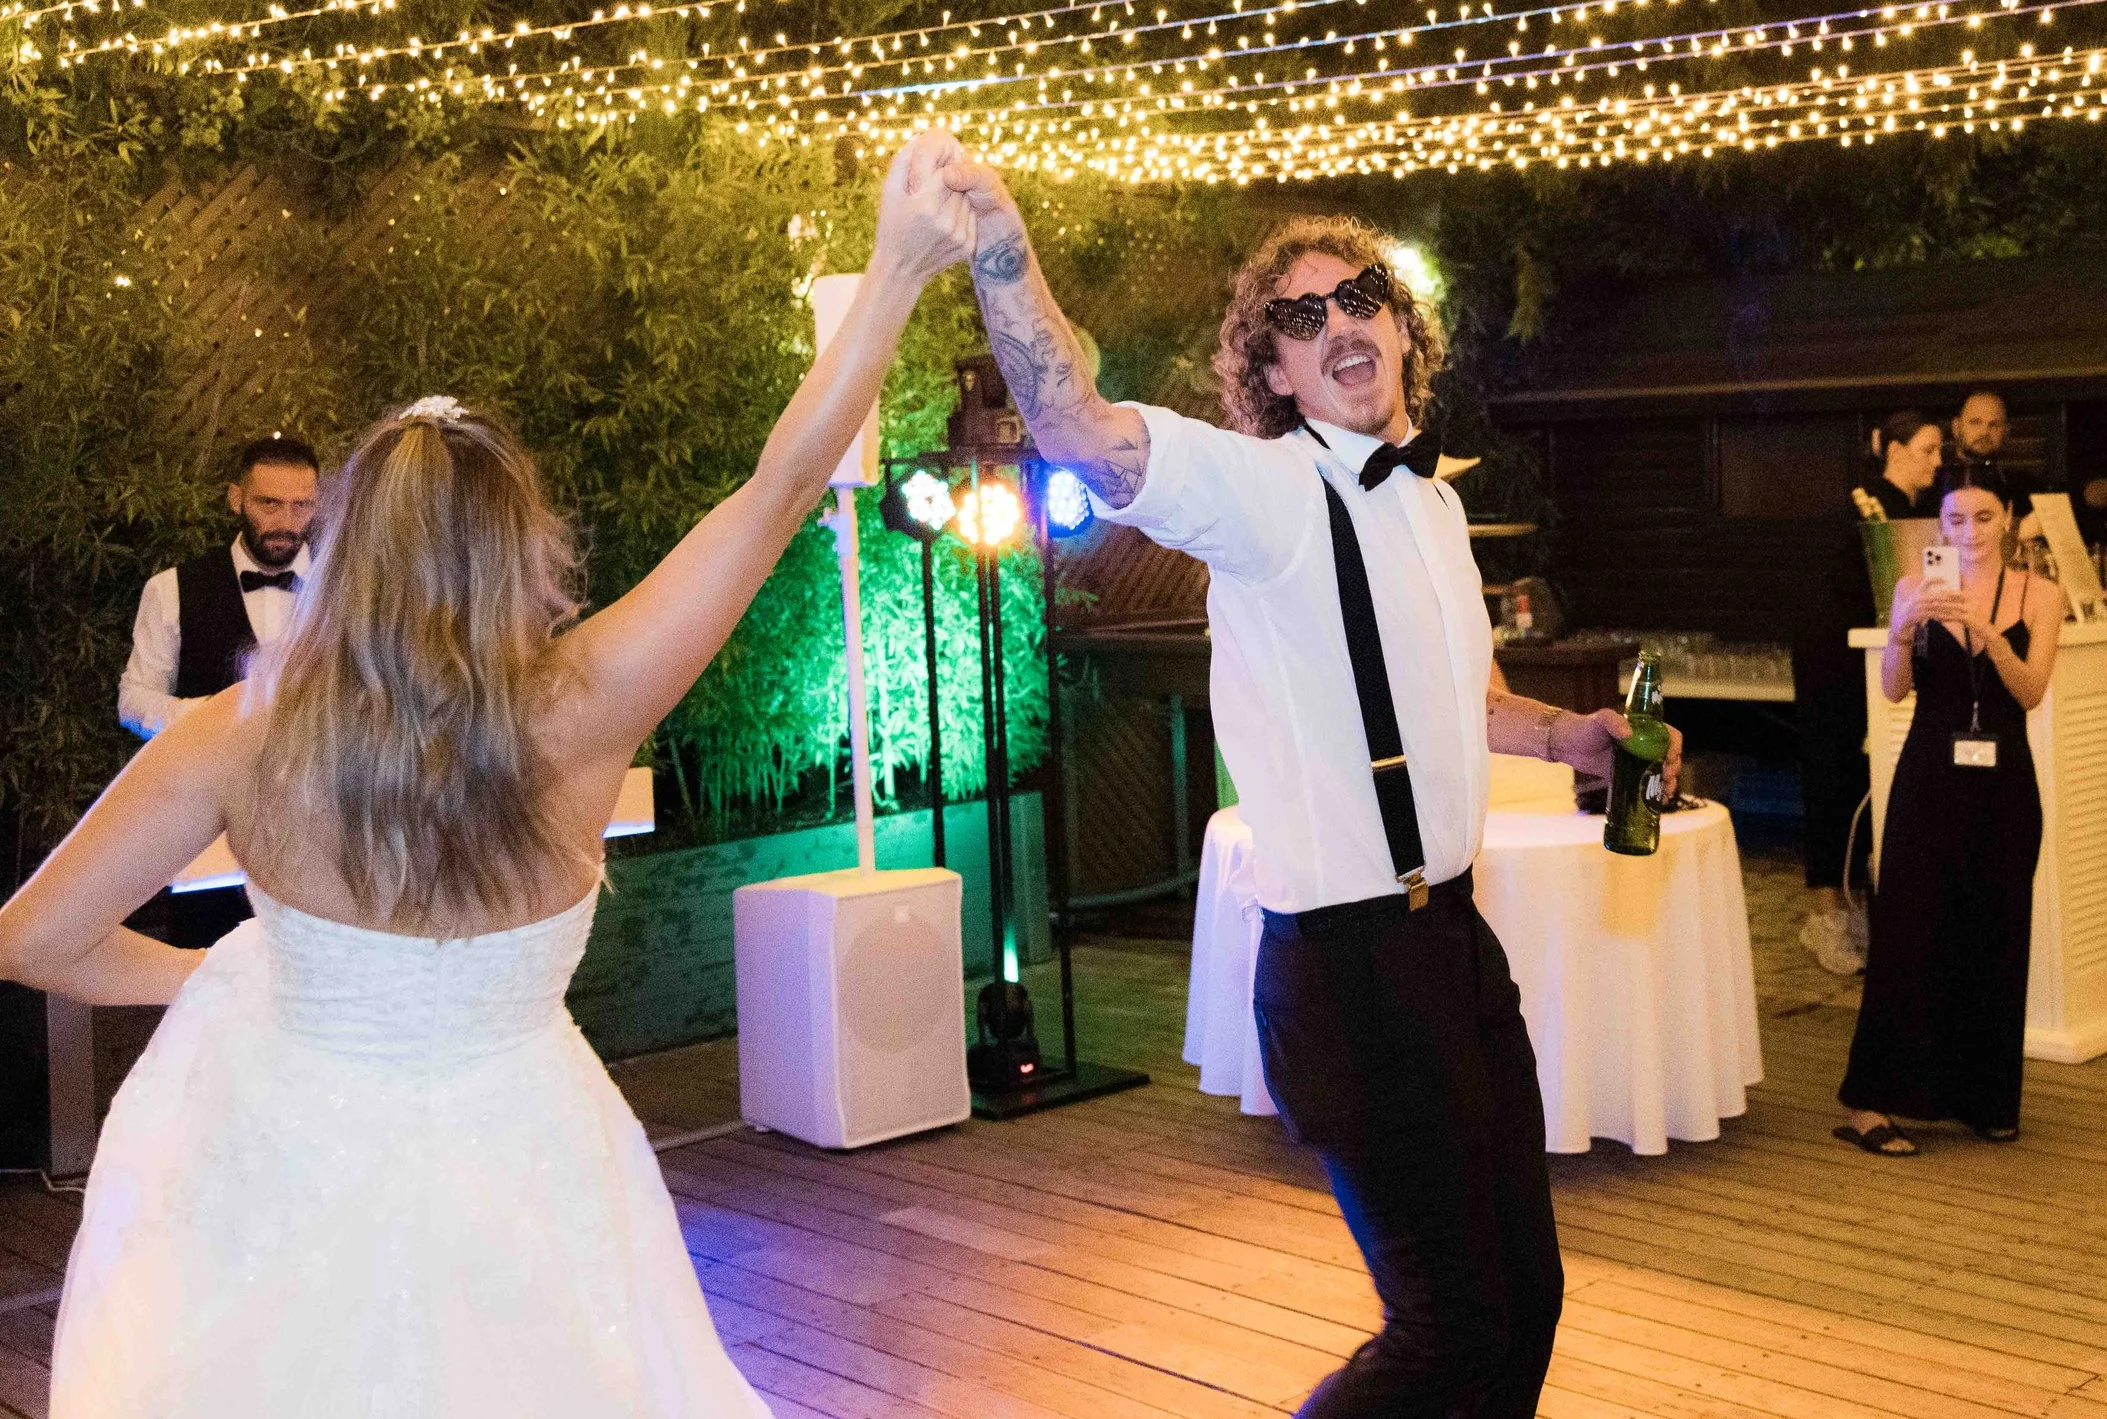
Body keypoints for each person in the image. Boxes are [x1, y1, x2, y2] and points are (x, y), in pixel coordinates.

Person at [0, 134, 962, 1417]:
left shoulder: (231, 738)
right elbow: (781, 485)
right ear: (519, 547)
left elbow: (35, 937)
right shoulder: (590, 699)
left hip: (288, 1168)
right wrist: (896, 268)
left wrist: (215, 973)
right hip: (533, 1162)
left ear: (345, 550)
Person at [928, 135, 1660, 1417]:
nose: (1339, 322)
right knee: (1444, 1328)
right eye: (1301, 315)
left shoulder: (1431, 507)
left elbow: (1456, 699)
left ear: (1399, 324)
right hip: (1349, 970)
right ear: (1271, 368)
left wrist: (1566, 737)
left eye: (1359, 294)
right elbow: (1079, 430)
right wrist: (1001, 247)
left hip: (1454, 947)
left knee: (1523, 1306)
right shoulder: (1264, 493)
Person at [1837, 467, 2063, 1156]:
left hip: (2003, 781)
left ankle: (1983, 1096)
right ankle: (1871, 1102)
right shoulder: (1916, 586)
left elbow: (2030, 692)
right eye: (1956, 520)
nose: (1969, 533)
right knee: (1909, 926)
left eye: (1984, 518)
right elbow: (1894, 690)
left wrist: (1991, 635)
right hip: (1929, 773)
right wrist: (1902, 632)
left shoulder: (2041, 594)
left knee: (1995, 927)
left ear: (2012, 519)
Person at [1796, 411, 1946, 977]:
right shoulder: (1865, 507)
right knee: (1833, 784)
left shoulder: (1921, 511)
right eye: (1928, 449)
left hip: (1891, 661)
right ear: (1894, 448)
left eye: (1939, 452)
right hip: (1836, 662)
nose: (1936, 462)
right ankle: (1823, 913)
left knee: (1874, 785)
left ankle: (1861, 904)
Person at [120, 434, 322, 740]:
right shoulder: (172, 589)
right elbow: (134, 700)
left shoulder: (346, 588)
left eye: (301, 506)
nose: (285, 522)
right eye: (269, 504)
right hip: (210, 784)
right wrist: (209, 716)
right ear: (236, 499)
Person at [1944, 390, 2038, 518]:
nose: (1984, 432)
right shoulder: (1934, 485)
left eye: (1994, 425)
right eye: (1975, 422)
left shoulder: (2025, 489)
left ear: (2006, 432)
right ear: (1956, 427)